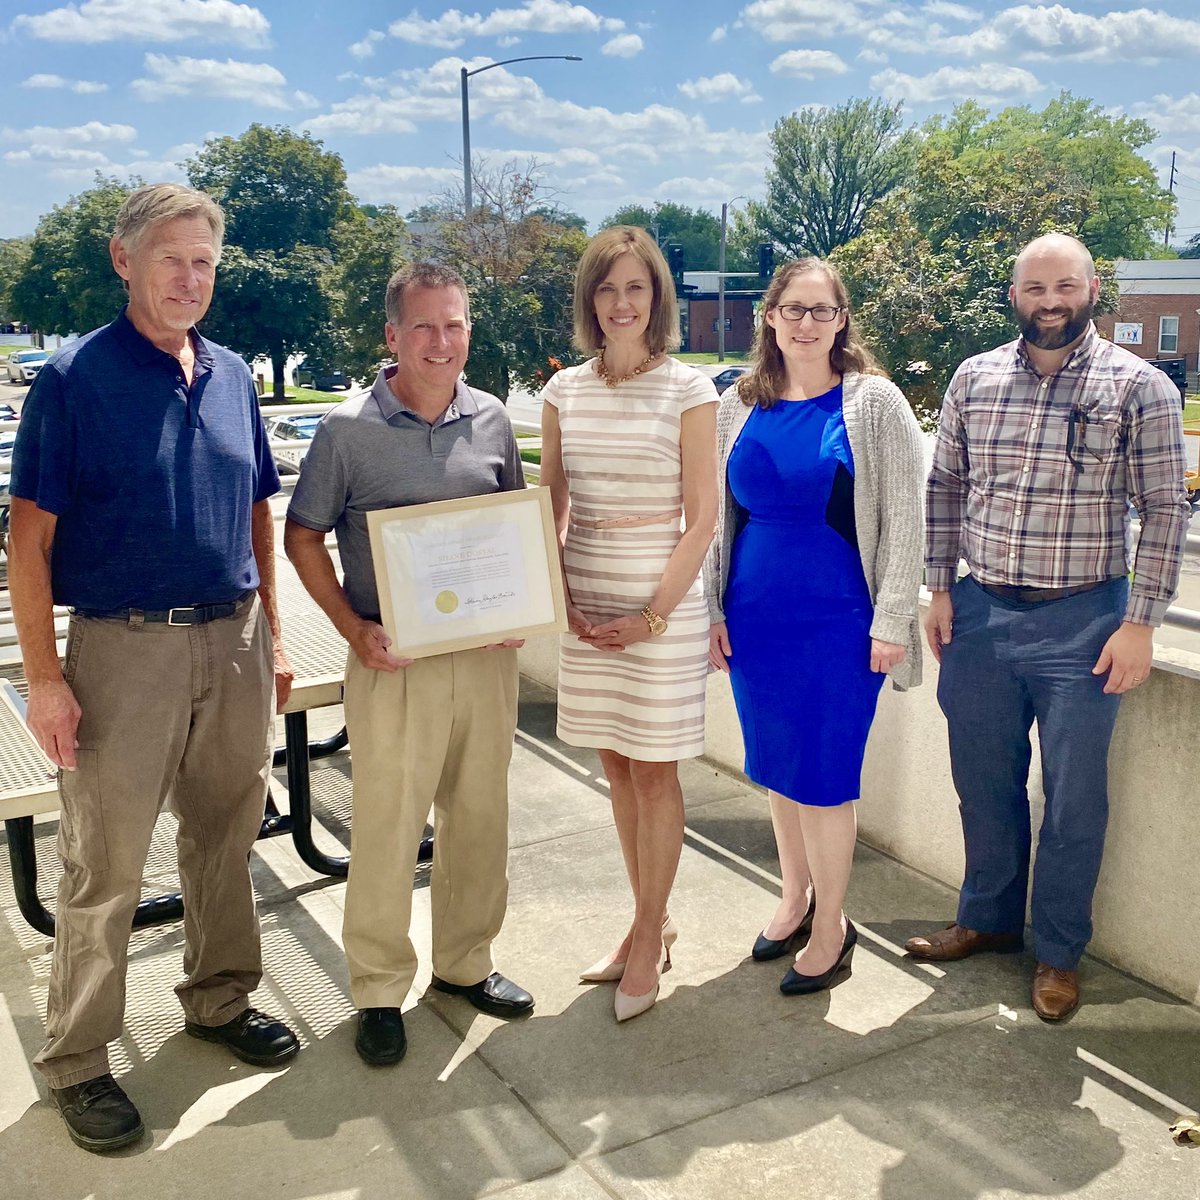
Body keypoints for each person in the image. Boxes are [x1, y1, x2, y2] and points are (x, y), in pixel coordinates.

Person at [8, 183, 299, 1153]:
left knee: (226, 834)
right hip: (123, 650)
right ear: (123, 259)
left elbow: (257, 512)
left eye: (203, 261)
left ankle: (218, 999)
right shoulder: (74, 379)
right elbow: (28, 541)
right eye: (170, 257)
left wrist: (275, 637)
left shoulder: (232, 375)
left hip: (235, 638)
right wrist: (46, 680)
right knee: (107, 863)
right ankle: (79, 1058)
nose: (189, 278)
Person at [908, 232, 1189, 1021]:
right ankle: (988, 920)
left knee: (1072, 800)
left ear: (1093, 289)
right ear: (1014, 296)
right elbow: (945, 487)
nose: (1051, 302)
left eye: (1065, 286)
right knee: (982, 783)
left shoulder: (1140, 387)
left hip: (1086, 621)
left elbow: (1165, 511)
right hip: (982, 615)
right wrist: (939, 588)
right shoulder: (976, 377)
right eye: (1035, 288)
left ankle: (1059, 954)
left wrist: (1140, 623)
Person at [285, 262, 533, 1068]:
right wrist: (353, 629)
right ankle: (379, 988)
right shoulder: (346, 429)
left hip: (484, 662)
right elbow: (302, 536)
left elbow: (513, 526)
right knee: (389, 828)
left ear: (469, 330)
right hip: (391, 661)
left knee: (480, 819)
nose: (440, 340)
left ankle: (465, 964)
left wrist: (521, 605)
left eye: (454, 323)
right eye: (423, 325)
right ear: (392, 335)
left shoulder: (491, 419)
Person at [705, 258, 925, 996]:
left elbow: (906, 520)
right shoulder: (739, 402)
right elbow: (717, 519)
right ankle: (793, 897)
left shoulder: (874, 403)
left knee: (825, 777)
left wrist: (893, 620)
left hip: (841, 624)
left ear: (841, 320)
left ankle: (833, 922)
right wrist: (712, 609)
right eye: (793, 309)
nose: (806, 323)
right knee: (778, 765)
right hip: (756, 619)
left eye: (821, 310)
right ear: (769, 316)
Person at [539, 226, 718, 1022]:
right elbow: (552, 504)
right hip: (586, 601)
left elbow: (703, 519)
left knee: (654, 772)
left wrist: (653, 615)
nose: (621, 303)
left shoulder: (690, 389)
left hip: (661, 606)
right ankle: (651, 918)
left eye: (635, 288)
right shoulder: (563, 391)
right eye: (607, 289)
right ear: (590, 300)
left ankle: (647, 937)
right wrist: (558, 595)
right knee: (614, 766)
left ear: (657, 298)